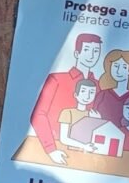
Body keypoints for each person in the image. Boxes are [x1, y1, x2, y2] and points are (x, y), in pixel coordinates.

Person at [30, 33, 102, 165]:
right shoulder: (56, 79)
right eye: (87, 50)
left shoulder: (98, 86)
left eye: (96, 51)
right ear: (77, 53)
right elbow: (39, 115)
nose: (91, 55)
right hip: (55, 147)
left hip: (88, 152)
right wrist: (51, 149)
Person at [91, 49, 129, 127]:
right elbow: (93, 117)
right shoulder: (102, 95)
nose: (118, 71)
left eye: (124, 67)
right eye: (116, 66)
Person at [57, 79, 98, 152]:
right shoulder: (67, 112)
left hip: (89, 152)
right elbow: (63, 139)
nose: (87, 96)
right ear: (75, 95)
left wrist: (97, 121)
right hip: (70, 151)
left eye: (91, 92)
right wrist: (84, 146)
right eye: (83, 91)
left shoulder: (92, 115)